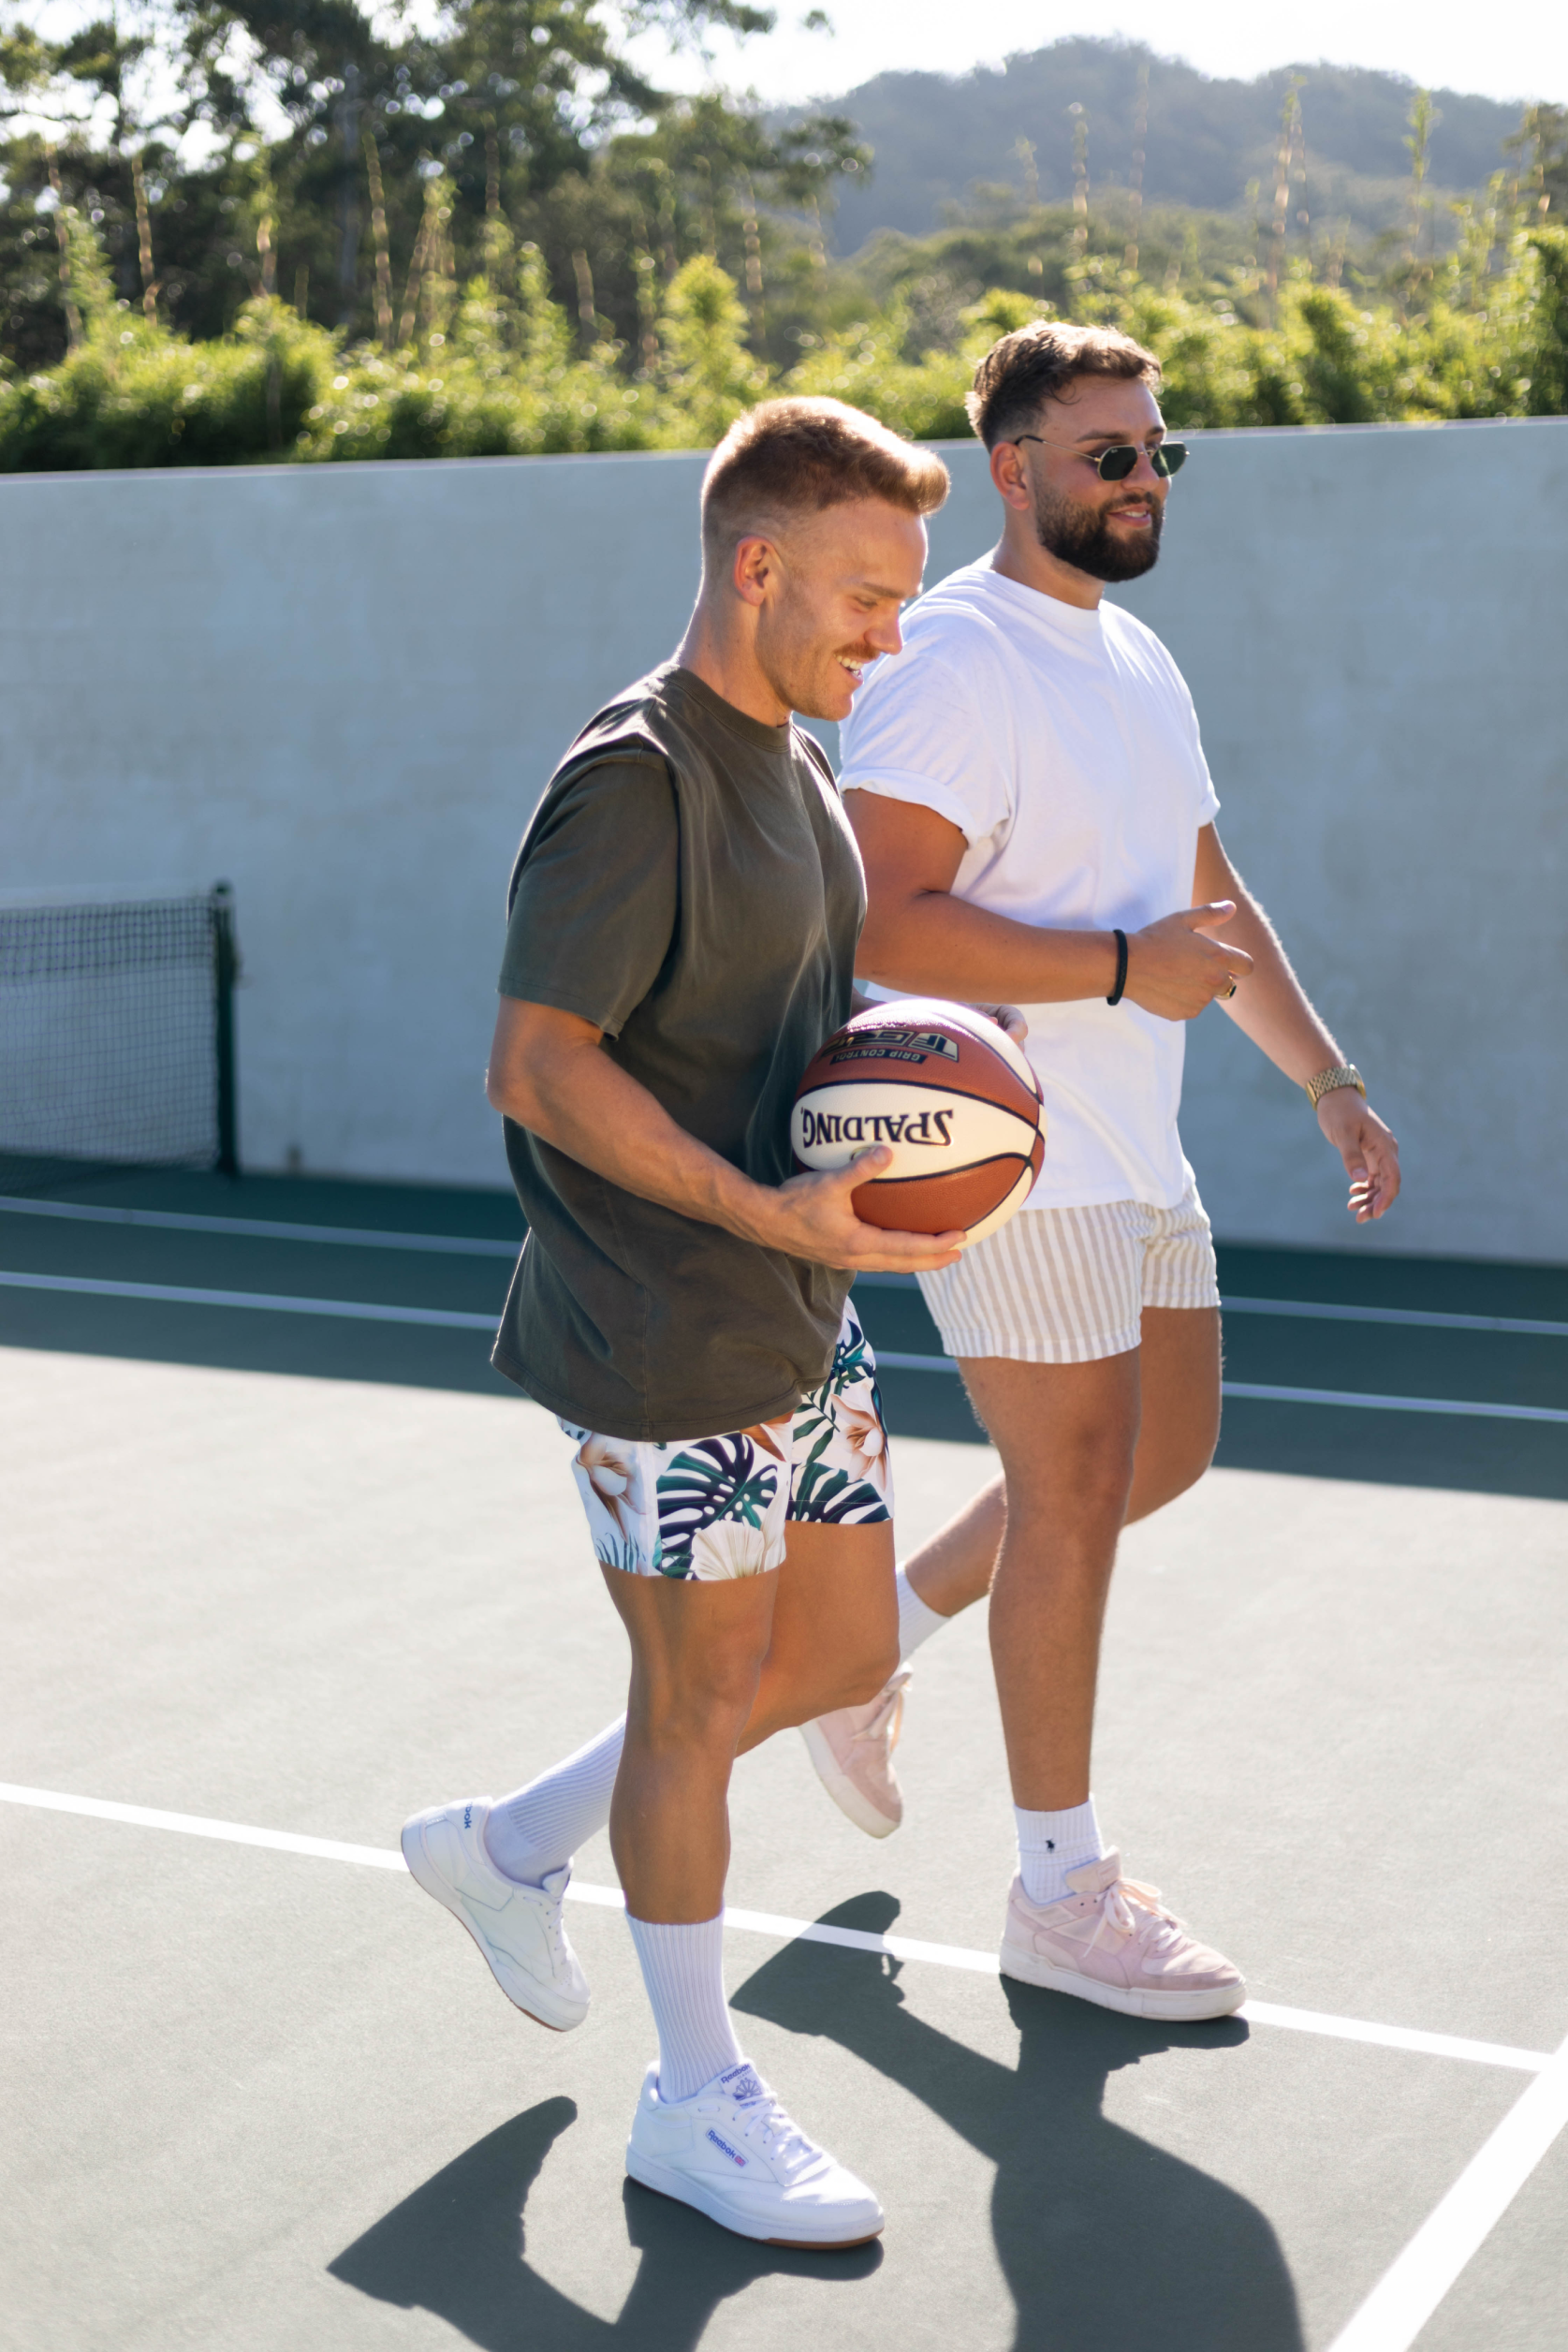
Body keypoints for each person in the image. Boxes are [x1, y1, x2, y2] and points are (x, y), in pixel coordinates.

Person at [401, 399, 969, 2249]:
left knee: (826, 1657)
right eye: (870, 597)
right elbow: (536, 1063)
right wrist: (757, 1210)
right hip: (658, 1323)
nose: (892, 634)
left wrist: (940, 1119)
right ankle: (693, 2095)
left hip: (802, 1297)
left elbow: (807, 1037)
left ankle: (504, 1845)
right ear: (756, 563)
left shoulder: (797, 763)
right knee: (696, 1694)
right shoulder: (636, 779)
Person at [801, 321, 1401, 2021]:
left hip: (1141, 1145)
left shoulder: (1138, 661)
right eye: (1108, 454)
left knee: (1163, 1454)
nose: (1144, 480)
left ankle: (866, 1654)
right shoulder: (952, 658)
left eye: (1158, 453)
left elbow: (1213, 902)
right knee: (1070, 1490)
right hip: (1004, 1153)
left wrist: (1326, 1080)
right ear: (1012, 468)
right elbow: (883, 914)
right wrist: (1125, 972)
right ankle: (1055, 1890)